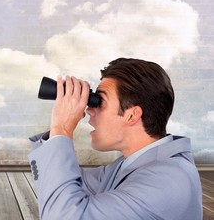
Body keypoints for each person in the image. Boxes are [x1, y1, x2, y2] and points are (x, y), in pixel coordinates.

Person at [28, 58, 203, 219]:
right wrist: (57, 130)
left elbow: (62, 214)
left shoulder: (168, 179)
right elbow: (62, 182)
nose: (89, 110)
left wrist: (62, 127)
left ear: (131, 115)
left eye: (99, 102)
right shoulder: (129, 166)